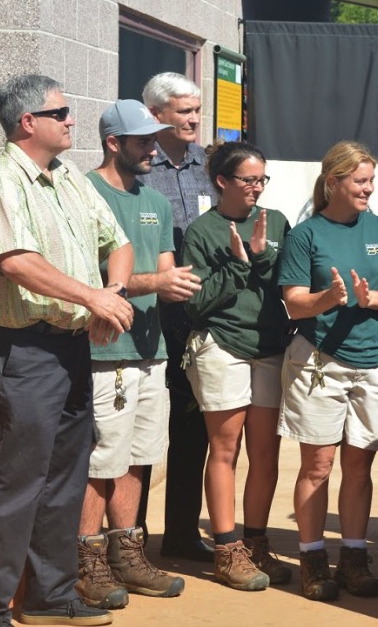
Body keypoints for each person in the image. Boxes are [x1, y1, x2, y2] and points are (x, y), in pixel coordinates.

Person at [0, 74, 134, 627]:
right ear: (27, 122)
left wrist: (111, 296)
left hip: (72, 346)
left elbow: (119, 242)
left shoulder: (69, 179)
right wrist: (93, 298)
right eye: (61, 111)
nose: (72, 120)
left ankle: (49, 598)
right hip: (24, 350)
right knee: (14, 482)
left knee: (65, 476)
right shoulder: (0, 179)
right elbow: (15, 261)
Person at [278, 141, 378, 602]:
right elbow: (294, 303)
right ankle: (313, 561)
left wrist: (369, 298)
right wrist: (327, 300)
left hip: (374, 360)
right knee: (318, 465)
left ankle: (354, 559)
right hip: (320, 362)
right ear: (333, 182)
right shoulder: (306, 234)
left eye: (371, 181)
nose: (368, 189)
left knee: (360, 464)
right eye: (359, 181)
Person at [75, 100, 195, 610]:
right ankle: (87, 561)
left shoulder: (158, 200)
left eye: (154, 138)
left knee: (139, 457)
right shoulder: (82, 192)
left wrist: (181, 284)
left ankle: (128, 552)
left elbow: (166, 270)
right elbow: (87, 277)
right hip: (106, 350)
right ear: (113, 143)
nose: (153, 147)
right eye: (143, 140)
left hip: (152, 349)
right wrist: (156, 281)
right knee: (102, 459)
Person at [181, 141, 293, 591]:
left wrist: (263, 257)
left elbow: (288, 285)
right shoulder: (202, 231)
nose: (257, 188)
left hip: (269, 347)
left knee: (265, 452)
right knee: (224, 448)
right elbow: (197, 303)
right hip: (221, 345)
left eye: (262, 179)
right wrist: (237, 264)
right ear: (223, 181)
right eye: (248, 179)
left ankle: (256, 541)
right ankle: (227, 550)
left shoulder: (278, 222)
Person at [141, 72, 217, 563]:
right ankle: (128, 538)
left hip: (202, 318)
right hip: (147, 318)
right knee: (144, 430)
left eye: (196, 110)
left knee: (194, 427)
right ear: (156, 115)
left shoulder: (211, 167)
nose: (194, 119)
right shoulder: (138, 168)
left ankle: (182, 534)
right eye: (184, 111)